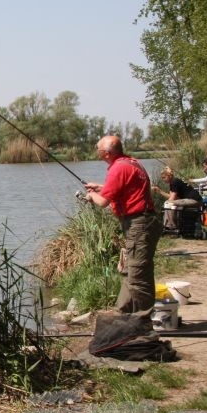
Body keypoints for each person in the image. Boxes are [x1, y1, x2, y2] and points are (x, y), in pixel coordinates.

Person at [82, 136, 161, 323]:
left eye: (98, 148)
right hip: (144, 222)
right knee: (133, 270)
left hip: (139, 224)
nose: (97, 151)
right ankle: (126, 313)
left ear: (106, 153)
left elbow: (102, 202)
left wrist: (92, 195)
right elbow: (124, 188)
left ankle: (140, 321)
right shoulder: (130, 162)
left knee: (138, 274)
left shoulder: (118, 168)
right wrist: (101, 187)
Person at [153, 167, 201, 232]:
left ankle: (171, 226)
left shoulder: (175, 182)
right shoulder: (172, 183)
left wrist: (163, 205)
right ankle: (168, 225)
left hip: (193, 200)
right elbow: (171, 197)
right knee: (168, 203)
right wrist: (160, 191)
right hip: (191, 199)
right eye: (162, 178)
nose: (163, 180)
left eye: (164, 177)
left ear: (169, 176)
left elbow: (171, 199)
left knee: (168, 204)